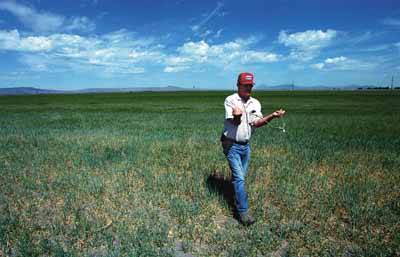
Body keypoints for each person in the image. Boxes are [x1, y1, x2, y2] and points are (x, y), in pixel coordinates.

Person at [221, 72, 285, 226]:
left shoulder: (255, 103)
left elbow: (256, 123)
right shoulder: (231, 100)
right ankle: (243, 213)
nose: (248, 88)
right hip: (231, 144)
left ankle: (235, 198)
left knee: (239, 178)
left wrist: (272, 116)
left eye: (250, 85)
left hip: (245, 147)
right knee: (239, 178)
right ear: (238, 85)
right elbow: (235, 123)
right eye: (245, 85)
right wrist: (237, 116)